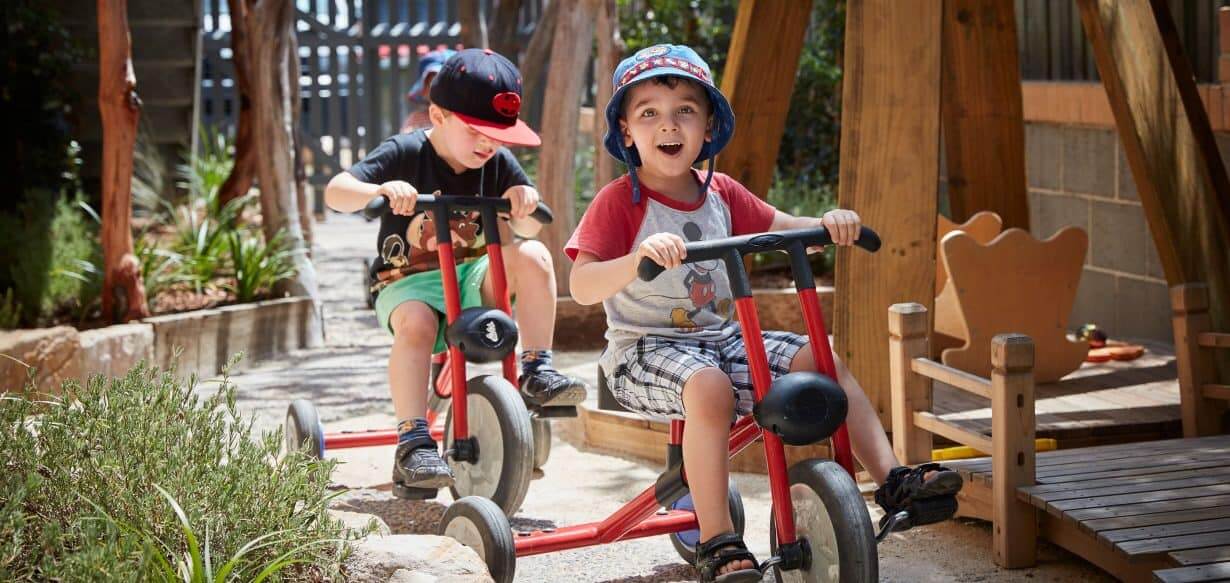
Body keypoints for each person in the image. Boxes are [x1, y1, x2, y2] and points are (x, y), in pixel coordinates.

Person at [564, 44, 963, 582]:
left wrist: (828, 223)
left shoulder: (721, 193)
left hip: (724, 341)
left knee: (819, 360)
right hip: (643, 351)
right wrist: (635, 259)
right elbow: (583, 285)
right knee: (708, 390)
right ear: (627, 132)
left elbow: (783, 225)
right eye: (649, 112)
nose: (669, 124)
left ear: (708, 127)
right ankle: (716, 541)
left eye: (685, 109)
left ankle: (892, 481)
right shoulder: (621, 202)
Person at [325, 48, 587, 499]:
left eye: (498, 135)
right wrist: (380, 188)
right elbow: (336, 192)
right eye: (475, 131)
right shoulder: (406, 152)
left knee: (534, 255)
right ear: (437, 116)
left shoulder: (497, 163)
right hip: (405, 280)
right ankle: (412, 438)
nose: (488, 144)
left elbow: (527, 225)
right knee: (419, 325)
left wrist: (522, 203)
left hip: (470, 274)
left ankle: (536, 368)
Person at [401, 48, 456, 133]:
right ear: (424, 91)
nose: (442, 91)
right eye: (433, 84)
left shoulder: (466, 120)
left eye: (449, 84)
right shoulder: (416, 121)